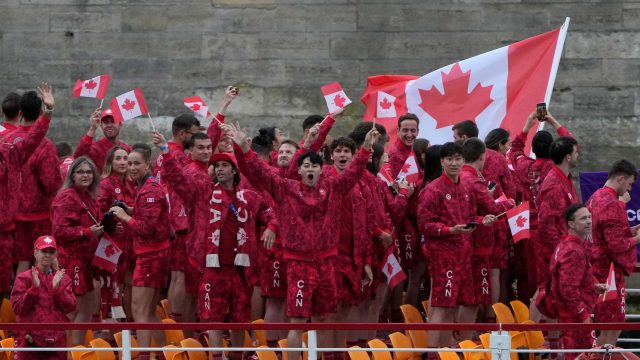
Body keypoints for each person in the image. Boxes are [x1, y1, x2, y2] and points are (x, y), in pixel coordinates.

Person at [229, 122, 380, 360]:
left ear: (322, 170)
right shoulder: (284, 188)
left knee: (326, 318)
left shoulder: (334, 187)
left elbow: (355, 170)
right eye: (306, 166)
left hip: (327, 263)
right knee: (297, 322)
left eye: (315, 166)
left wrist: (367, 148)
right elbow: (257, 170)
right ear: (299, 170)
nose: (310, 170)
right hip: (299, 266)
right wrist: (242, 149)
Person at [153, 130, 277, 360]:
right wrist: (164, 150)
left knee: (240, 320)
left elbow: (271, 214)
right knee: (215, 318)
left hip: (241, 271)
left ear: (234, 170)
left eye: (224, 165)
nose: (219, 169)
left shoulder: (249, 197)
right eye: (216, 166)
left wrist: (270, 228)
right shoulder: (203, 193)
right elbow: (178, 179)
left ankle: (238, 356)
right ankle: (217, 356)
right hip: (213, 268)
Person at [417, 142, 495, 349]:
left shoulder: (466, 187)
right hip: (443, 257)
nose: (454, 163)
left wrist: (481, 220)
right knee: (442, 307)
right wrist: (450, 230)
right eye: (449, 159)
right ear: (442, 162)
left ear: (463, 161)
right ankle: (432, 354)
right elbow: (424, 225)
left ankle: (450, 352)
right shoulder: (432, 190)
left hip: (464, 255)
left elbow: (469, 217)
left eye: (458, 158)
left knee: (455, 307)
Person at [109, 144, 169, 357]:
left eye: (136, 163)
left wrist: (125, 217)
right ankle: (163, 354)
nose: (131, 167)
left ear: (147, 164)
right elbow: (148, 215)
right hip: (154, 254)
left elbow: (146, 228)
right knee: (150, 311)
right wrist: (130, 210)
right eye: (129, 163)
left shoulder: (150, 189)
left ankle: (143, 355)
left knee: (139, 310)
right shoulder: (146, 186)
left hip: (150, 255)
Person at [508, 111, 573, 304]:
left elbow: (515, 151)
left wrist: (527, 125)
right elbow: (571, 142)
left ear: (533, 149)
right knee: (550, 280)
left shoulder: (522, 166)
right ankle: (545, 327)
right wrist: (552, 120)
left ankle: (530, 324)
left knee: (531, 277)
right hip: (553, 230)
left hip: (528, 230)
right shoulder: (556, 167)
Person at [453, 120, 515, 306]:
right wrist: (510, 202)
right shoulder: (496, 159)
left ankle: (475, 320)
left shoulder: (457, 165)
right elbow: (510, 191)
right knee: (493, 273)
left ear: (464, 138)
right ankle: (490, 318)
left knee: (471, 275)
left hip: (474, 226)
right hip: (491, 222)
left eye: (455, 138)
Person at [0, 83, 54, 298]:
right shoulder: (9, 148)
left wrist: (48, 114)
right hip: (30, 217)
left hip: (9, 227)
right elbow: (50, 182)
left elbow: (31, 141)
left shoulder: (7, 148)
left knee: (8, 280)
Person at [460, 138, 513, 327]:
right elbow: (491, 207)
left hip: (466, 241)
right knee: (472, 297)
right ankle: (468, 338)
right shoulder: (473, 180)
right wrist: (510, 203)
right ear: (482, 156)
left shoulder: (460, 177)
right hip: (477, 241)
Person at [587, 159, 640, 346]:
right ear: (620, 178)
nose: (630, 189)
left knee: (608, 321)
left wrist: (631, 230)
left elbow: (606, 233)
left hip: (597, 267)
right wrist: (637, 239)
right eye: (629, 183)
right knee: (611, 323)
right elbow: (617, 245)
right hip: (609, 273)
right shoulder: (612, 203)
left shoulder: (595, 196)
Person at [153, 113, 200, 324]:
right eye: (195, 134)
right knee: (180, 275)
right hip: (179, 221)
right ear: (183, 134)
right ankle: (178, 323)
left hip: (168, 219)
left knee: (175, 274)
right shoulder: (177, 156)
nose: (199, 140)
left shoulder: (165, 153)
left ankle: (174, 321)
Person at [50, 156, 102, 346]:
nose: (86, 175)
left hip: (87, 260)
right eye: (80, 172)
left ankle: (77, 349)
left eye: (89, 172)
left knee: (87, 308)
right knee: (76, 309)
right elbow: (59, 231)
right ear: (72, 175)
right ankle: (70, 351)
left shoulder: (89, 196)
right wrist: (87, 232)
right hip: (72, 260)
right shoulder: (67, 197)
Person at [11, 235, 76, 360]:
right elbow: (18, 309)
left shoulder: (63, 278)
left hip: (57, 342)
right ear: (35, 253)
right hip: (29, 342)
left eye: (51, 252)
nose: (47, 255)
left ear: (56, 254)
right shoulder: (24, 278)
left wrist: (57, 289)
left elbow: (71, 307)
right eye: (44, 251)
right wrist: (33, 289)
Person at [549, 204, 601, 360]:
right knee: (584, 357)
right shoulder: (573, 250)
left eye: (590, 217)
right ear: (571, 224)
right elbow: (568, 289)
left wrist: (593, 286)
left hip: (571, 316)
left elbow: (568, 282)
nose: (589, 221)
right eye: (584, 218)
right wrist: (584, 315)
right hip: (575, 318)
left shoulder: (565, 244)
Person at [97, 146, 136, 321]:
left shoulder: (131, 184)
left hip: (129, 244)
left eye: (125, 158)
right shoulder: (105, 184)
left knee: (125, 285)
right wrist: (110, 226)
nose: (122, 162)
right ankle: (108, 328)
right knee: (111, 287)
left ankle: (124, 326)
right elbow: (97, 212)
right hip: (111, 245)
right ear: (110, 162)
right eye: (118, 158)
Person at [73, 108, 132, 173]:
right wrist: (93, 128)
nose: (109, 125)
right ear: (101, 125)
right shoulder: (96, 148)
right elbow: (79, 158)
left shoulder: (127, 148)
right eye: (106, 122)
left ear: (120, 124)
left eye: (113, 121)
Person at [388, 113, 419, 177]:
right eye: (405, 130)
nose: (409, 135)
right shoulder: (394, 155)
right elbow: (395, 184)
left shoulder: (417, 150)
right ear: (398, 131)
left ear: (418, 131)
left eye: (413, 130)